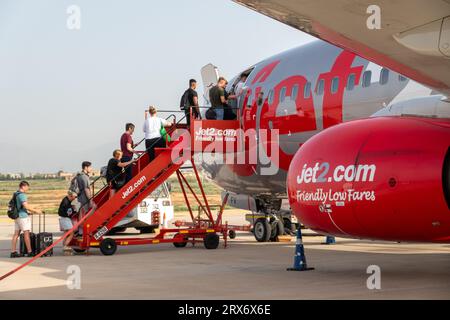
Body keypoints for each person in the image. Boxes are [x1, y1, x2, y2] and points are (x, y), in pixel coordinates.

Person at [10, 181, 42, 258]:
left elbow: (20, 206)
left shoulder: (16, 194)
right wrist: (36, 211)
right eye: (27, 187)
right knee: (26, 234)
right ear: (23, 186)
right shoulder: (22, 195)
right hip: (23, 217)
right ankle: (30, 251)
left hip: (17, 216)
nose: (28, 189)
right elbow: (26, 206)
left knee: (16, 234)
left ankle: (13, 252)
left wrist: (31, 210)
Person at [76, 161, 95, 235]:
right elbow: (86, 189)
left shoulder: (79, 175)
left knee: (81, 214)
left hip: (80, 198)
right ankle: (84, 228)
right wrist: (90, 200)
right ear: (86, 167)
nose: (91, 169)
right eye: (90, 167)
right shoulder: (84, 177)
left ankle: (81, 230)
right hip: (84, 199)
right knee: (93, 208)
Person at [58, 191, 78, 255]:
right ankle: (65, 247)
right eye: (74, 197)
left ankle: (65, 248)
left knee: (66, 233)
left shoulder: (67, 201)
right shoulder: (66, 202)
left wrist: (72, 209)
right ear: (71, 196)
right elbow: (67, 213)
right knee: (71, 233)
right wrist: (73, 210)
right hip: (65, 219)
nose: (75, 199)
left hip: (64, 218)